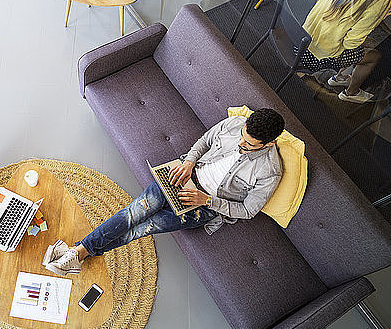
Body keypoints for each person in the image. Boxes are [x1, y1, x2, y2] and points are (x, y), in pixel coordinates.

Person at [42, 109, 285, 276]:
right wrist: (189, 163)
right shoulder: (235, 124)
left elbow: (248, 210)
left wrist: (208, 200)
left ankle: (77, 252)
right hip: (185, 175)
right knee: (134, 212)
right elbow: (203, 143)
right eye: (242, 137)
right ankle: (78, 253)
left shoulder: (270, 171)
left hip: (204, 207)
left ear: (269, 144)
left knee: (145, 227)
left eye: (249, 145)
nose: (241, 144)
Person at [300, 0, 391, 103]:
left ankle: (340, 77)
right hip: (318, 56)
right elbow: (351, 43)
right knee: (374, 56)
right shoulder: (382, 0)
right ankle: (351, 92)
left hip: (302, 36)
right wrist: (379, 16)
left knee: (362, 42)